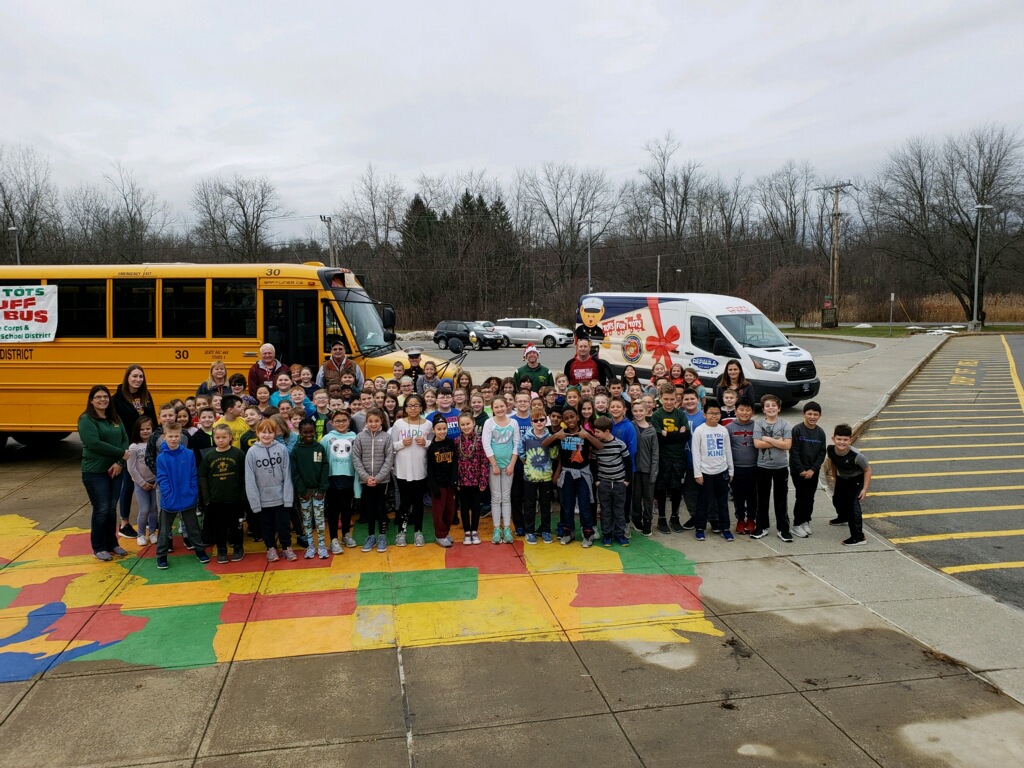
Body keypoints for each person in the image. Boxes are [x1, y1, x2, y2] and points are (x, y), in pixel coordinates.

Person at [79, 385, 130, 562]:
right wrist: (120, 454)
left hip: (116, 470)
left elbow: (125, 439)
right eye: (98, 397)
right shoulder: (86, 420)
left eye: (105, 397)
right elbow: (94, 443)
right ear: (91, 400)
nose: (103, 400)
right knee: (101, 509)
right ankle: (99, 547)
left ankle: (112, 543)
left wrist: (120, 462)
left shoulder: (114, 418)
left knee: (110, 509)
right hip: (95, 472)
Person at [111, 364, 157, 539]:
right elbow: (117, 426)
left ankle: (152, 521)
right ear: (127, 378)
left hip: (148, 445)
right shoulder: (117, 399)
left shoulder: (146, 396)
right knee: (129, 484)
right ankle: (124, 523)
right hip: (130, 447)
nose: (138, 380)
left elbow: (153, 419)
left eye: (141, 376)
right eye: (134, 376)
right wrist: (121, 451)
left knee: (152, 481)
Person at [155, 423, 208, 569]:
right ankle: (161, 556)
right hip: (169, 500)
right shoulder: (161, 458)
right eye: (170, 436)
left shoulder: (189, 454)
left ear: (181, 436)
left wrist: (193, 492)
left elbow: (193, 474)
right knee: (165, 530)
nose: (173, 439)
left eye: (176, 436)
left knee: (193, 527)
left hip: (187, 496)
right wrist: (167, 495)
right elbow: (162, 478)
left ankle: (200, 550)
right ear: (164, 437)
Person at [245, 418, 297, 563]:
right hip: (263, 499)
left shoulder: (281, 449)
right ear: (257, 433)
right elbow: (250, 479)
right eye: (263, 432)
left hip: (280, 497)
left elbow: (287, 474)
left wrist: (288, 497)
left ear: (275, 433)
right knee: (266, 526)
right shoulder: (252, 452)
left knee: (283, 525)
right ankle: (271, 548)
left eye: (270, 432)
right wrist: (255, 502)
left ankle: (287, 547)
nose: (266, 435)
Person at [551, 406, 603, 546]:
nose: (570, 420)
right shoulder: (563, 434)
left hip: (583, 475)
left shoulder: (585, 433)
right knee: (567, 505)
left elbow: (600, 446)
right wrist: (557, 435)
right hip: (567, 474)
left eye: (572, 417)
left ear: (578, 417)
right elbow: (545, 444)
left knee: (584, 505)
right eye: (566, 418)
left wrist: (587, 436)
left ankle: (587, 534)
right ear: (563, 420)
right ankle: (569, 532)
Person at [198, 423, 246, 563]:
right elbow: (202, 477)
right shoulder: (209, 456)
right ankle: (222, 550)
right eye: (217, 437)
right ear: (213, 438)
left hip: (235, 500)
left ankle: (238, 548)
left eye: (224, 437)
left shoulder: (238, 454)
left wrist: (242, 496)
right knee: (219, 527)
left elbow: (245, 475)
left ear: (230, 437)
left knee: (236, 526)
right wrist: (207, 498)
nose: (221, 440)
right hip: (216, 500)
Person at [691, 401, 735, 542]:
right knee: (703, 501)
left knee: (722, 501)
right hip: (705, 472)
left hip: (721, 470)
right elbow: (696, 453)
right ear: (705, 414)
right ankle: (700, 528)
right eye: (711, 413)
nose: (714, 416)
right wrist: (697, 473)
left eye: (717, 413)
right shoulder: (700, 430)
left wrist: (731, 470)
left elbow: (728, 450)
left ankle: (725, 528)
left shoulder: (723, 430)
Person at [752, 394, 793, 541]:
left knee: (781, 499)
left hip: (781, 467)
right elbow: (757, 444)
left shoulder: (785, 425)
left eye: (774, 405)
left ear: (779, 408)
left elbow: (787, 445)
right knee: (762, 498)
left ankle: (783, 529)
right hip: (763, 466)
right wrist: (777, 441)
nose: (771, 408)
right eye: (767, 406)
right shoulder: (758, 424)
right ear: (763, 409)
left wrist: (767, 438)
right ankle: (762, 527)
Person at [392, 394, 431, 547]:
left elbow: (433, 444)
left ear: (422, 407)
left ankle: (418, 532)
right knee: (404, 502)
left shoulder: (427, 424)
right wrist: (402, 443)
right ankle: (401, 533)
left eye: (416, 405)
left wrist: (426, 442)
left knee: (418, 502)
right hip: (402, 470)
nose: (413, 408)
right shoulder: (398, 424)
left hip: (420, 470)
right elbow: (391, 445)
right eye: (409, 405)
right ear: (405, 408)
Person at [353, 408, 394, 553]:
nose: (373, 423)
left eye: (376, 421)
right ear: (366, 422)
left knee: (381, 509)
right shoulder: (360, 437)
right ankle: (370, 536)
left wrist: (377, 478)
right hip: (366, 481)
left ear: (381, 421)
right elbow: (356, 458)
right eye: (370, 421)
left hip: (381, 482)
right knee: (368, 509)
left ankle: (382, 536)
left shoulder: (387, 437)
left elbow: (389, 460)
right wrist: (366, 477)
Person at [651, 383, 689, 535]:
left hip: (678, 458)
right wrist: (676, 436)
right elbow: (659, 438)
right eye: (665, 399)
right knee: (661, 489)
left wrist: (669, 434)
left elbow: (686, 436)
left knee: (676, 489)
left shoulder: (680, 414)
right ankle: (661, 518)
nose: (668, 402)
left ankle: (675, 517)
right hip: (663, 458)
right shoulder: (657, 415)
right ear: (660, 398)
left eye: (672, 399)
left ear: (676, 400)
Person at [482, 396, 520, 544]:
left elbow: (516, 444)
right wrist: (494, 465)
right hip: (494, 466)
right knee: (496, 497)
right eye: (496, 407)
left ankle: (507, 528)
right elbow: (486, 444)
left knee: (506, 497)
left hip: (508, 465)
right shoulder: (488, 423)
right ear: (492, 409)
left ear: (507, 406)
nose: (499, 409)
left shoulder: (514, 423)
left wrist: (511, 464)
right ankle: (496, 528)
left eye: (501, 406)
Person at [826, 424, 872, 546]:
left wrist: (864, 489)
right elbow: (833, 460)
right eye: (839, 439)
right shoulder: (830, 449)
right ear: (833, 438)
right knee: (837, 499)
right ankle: (843, 517)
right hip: (842, 477)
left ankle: (859, 537)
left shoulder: (857, 456)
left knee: (852, 505)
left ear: (850, 440)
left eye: (845, 440)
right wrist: (834, 475)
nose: (842, 442)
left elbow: (868, 470)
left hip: (856, 479)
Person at [519, 405, 559, 544]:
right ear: (531, 422)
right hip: (530, 477)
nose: (539, 423)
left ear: (546, 420)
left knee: (545, 505)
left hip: (546, 476)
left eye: (542, 420)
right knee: (530, 505)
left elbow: (554, 454)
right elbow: (521, 453)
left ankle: (545, 530)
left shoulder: (551, 437)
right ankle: (530, 531)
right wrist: (528, 466)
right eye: (535, 421)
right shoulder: (526, 437)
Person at [321, 410, 360, 553]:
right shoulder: (326, 438)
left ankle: (345, 534)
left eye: (344, 420)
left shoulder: (354, 437)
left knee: (347, 508)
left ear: (349, 421)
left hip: (349, 477)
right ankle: (333, 539)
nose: (341, 423)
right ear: (331, 422)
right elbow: (323, 460)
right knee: (333, 510)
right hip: (332, 478)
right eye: (337, 421)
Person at [292, 418, 330, 559]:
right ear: (300, 433)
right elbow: (294, 473)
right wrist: (302, 490)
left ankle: (321, 545)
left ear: (315, 431)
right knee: (307, 520)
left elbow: (325, 468)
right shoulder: (296, 450)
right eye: (305, 432)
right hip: (304, 493)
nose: (308, 434)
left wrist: (322, 489)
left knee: (319, 519)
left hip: (319, 492)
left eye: (311, 432)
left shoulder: (319, 448)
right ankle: (311, 546)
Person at [592, 416, 632, 547]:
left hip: (619, 483)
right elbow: (593, 463)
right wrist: (597, 480)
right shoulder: (596, 446)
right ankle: (607, 534)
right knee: (605, 510)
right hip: (604, 483)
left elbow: (628, 463)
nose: (595, 434)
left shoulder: (620, 444)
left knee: (619, 510)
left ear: (607, 431)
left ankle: (620, 534)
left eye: (597, 432)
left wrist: (626, 480)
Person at [790, 401, 826, 538]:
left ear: (819, 416)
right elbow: (794, 451)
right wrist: (801, 469)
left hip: (812, 472)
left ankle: (806, 520)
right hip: (799, 471)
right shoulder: (797, 430)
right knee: (802, 496)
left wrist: (813, 469)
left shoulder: (820, 432)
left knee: (810, 497)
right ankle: (797, 524)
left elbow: (822, 453)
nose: (812, 417)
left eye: (815, 414)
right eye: (809, 414)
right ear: (803, 414)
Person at [454, 412, 489, 545]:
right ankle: (466, 531)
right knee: (464, 506)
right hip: (462, 480)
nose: (466, 426)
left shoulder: (480, 440)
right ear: (459, 426)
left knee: (475, 506)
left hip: (476, 479)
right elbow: (455, 461)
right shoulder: (457, 441)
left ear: (474, 423)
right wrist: (456, 480)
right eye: (462, 424)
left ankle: (474, 530)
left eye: (468, 423)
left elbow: (484, 462)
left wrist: (483, 480)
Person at [426, 414, 458, 547]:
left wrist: (454, 480)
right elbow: (430, 470)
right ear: (433, 430)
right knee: (438, 511)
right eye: (439, 429)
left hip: (450, 484)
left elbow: (455, 463)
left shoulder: (451, 443)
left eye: (444, 428)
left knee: (450, 510)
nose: (442, 431)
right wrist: (434, 487)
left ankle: (445, 532)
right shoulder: (432, 448)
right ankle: (440, 535)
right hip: (438, 486)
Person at [727, 397, 759, 534]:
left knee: (752, 495)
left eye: (747, 410)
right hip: (737, 468)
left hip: (754, 468)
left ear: (752, 411)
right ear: (735, 411)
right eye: (741, 409)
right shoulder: (729, 428)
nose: (744, 413)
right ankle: (740, 519)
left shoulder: (758, 426)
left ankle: (751, 519)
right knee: (738, 496)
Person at [127, 416, 158, 546]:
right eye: (142, 429)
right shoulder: (134, 447)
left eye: (148, 428)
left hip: (154, 482)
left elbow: (159, 464)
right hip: (141, 484)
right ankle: (141, 533)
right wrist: (142, 483)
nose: (145, 431)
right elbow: (131, 468)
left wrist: (157, 480)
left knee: (154, 509)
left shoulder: (155, 445)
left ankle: (152, 532)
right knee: (144, 509)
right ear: (137, 431)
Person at [630, 398, 659, 537]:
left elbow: (655, 453)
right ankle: (636, 520)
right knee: (635, 497)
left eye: (640, 410)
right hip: (635, 469)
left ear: (646, 411)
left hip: (648, 470)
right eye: (635, 411)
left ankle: (647, 522)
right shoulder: (630, 426)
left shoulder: (652, 430)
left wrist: (654, 472)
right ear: (631, 412)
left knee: (648, 497)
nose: (638, 413)